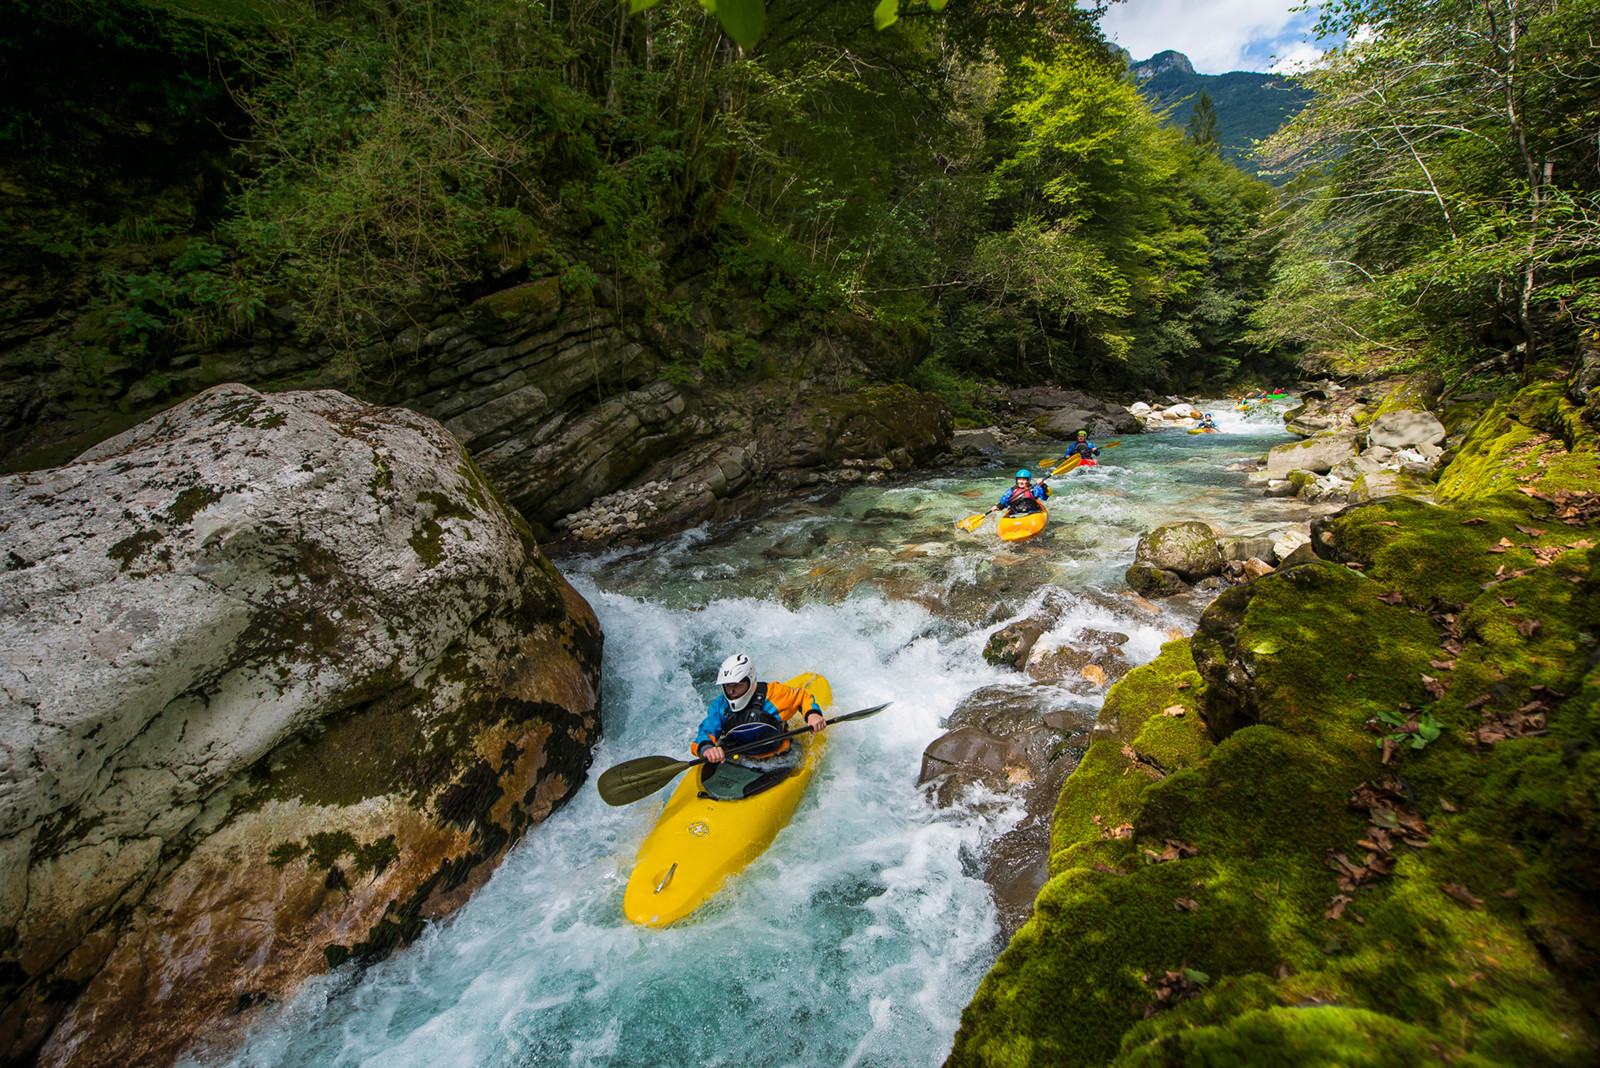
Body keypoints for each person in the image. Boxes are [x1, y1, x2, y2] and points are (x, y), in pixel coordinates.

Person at [693, 653, 825, 768]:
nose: (731, 691)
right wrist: (707, 749)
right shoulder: (719, 706)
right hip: (737, 759)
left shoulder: (773, 694)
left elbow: (802, 696)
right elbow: (707, 730)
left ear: (750, 681)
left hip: (778, 757)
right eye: (727, 686)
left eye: (737, 685)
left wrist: (812, 714)